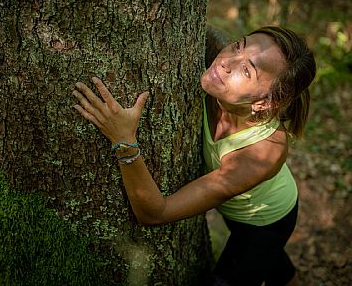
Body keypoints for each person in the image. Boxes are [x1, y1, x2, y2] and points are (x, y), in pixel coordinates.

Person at [72, 26, 316, 286]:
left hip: (266, 220)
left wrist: (124, 141)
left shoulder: (263, 151)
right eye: (238, 46)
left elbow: (155, 213)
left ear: (265, 103)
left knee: (256, 258)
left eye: (247, 71)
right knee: (274, 265)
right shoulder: (215, 66)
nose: (225, 63)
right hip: (246, 206)